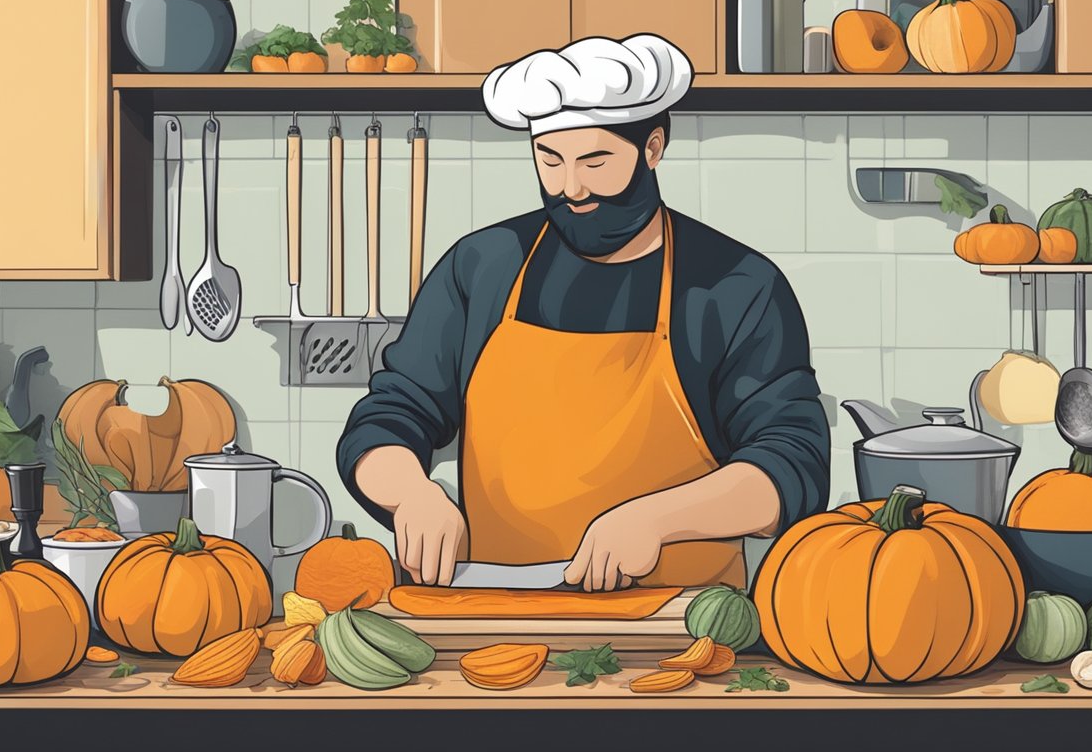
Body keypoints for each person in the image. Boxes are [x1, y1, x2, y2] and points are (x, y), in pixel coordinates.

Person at [336, 34, 829, 592]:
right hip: (494, 612)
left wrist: (657, 520)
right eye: (550, 159)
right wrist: (412, 495)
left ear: (653, 147)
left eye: (596, 161)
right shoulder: (483, 266)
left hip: (680, 624)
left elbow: (792, 466)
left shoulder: (735, 284)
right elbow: (387, 418)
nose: (571, 188)